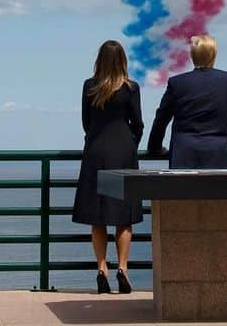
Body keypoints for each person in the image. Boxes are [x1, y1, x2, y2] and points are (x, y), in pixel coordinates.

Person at [71, 40, 143, 295]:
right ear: (122, 60)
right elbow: (138, 123)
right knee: (123, 216)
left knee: (97, 215)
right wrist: (130, 144)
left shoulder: (90, 87)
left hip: (95, 151)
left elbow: (86, 122)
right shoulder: (130, 88)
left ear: (99, 60)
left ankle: (102, 268)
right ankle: (123, 267)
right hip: (122, 152)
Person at [146, 34, 227, 167]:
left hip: (184, 155)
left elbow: (161, 119)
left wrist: (154, 148)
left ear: (192, 56)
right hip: (219, 155)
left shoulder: (177, 83)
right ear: (214, 54)